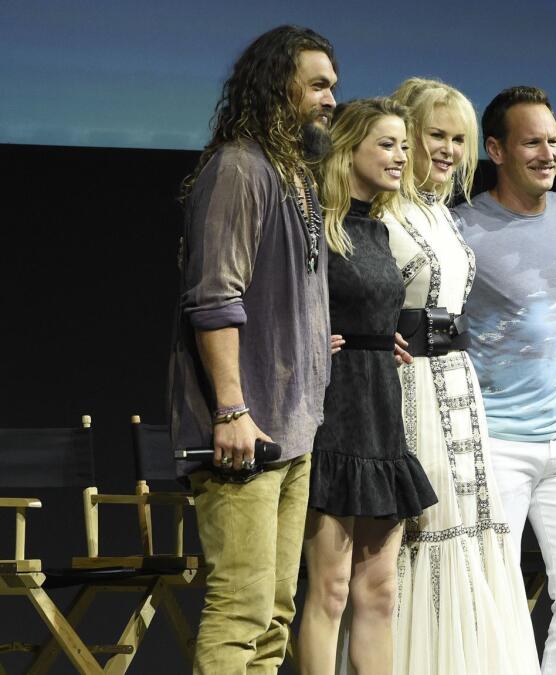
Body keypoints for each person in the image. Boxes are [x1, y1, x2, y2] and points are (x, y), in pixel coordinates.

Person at [168, 25, 336, 674]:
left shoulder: (294, 175)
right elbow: (214, 297)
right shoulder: (239, 168)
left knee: (275, 615)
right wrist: (232, 408)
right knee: (241, 610)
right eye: (317, 84)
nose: (330, 99)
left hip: (292, 429)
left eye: (332, 86)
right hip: (245, 429)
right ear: (277, 85)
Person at [382, 77, 538, 674]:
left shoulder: (443, 215)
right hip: (408, 392)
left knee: (468, 529)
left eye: (458, 139)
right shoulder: (382, 216)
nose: (447, 150)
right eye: (434, 136)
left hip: (455, 385)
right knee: (419, 534)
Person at [454, 86, 556, 675]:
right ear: (495, 149)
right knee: (496, 600)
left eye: (554, 140)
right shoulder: (463, 229)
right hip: (497, 442)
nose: (548, 153)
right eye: (531, 142)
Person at [297, 98, 438, 675]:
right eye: (387, 144)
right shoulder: (312, 227)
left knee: (378, 592)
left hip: (381, 415)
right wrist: (310, 343)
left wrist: (384, 340)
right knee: (329, 589)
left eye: (405, 145)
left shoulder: (377, 231)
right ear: (348, 147)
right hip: (333, 418)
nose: (402, 157)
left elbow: (375, 309)